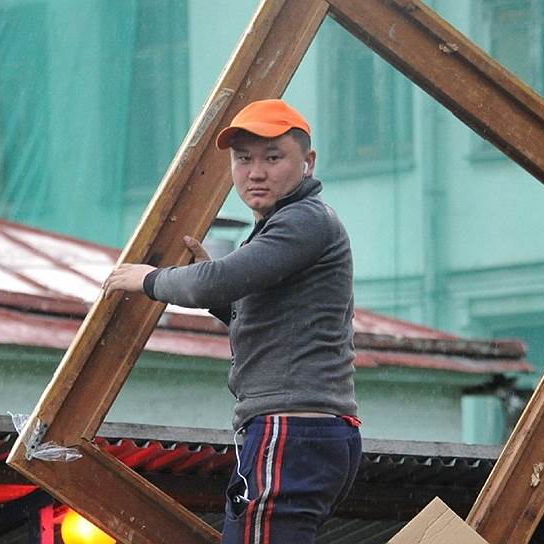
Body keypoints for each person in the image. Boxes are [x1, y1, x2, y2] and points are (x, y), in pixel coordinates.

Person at [105, 99, 361, 543]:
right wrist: (215, 291)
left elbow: (214, 282)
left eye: (273, 158)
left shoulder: (304, 220)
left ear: (309, 162)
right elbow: (259, 313)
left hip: (291, 428)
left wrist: (148, 279)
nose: (255, 172)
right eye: (243, 159)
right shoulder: (285, 225)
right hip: (302, 430)